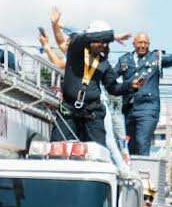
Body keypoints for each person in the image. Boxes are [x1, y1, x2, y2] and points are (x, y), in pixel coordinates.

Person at [50, 9, 127, 148]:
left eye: (106, 43)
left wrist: (131, 86)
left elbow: (113, 88)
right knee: (58, 149)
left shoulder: (103, 63)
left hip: (93, 113)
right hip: (69, 110)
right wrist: (113, 36)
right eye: (101, 41)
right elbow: (82, 37)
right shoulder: (76, 50)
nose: (104, 45)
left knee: (98, 153)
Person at [113, 32, 172, 156]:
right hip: (128, 109)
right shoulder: (124, 59)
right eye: (140, 43)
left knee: (142, 141)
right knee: (129, 145)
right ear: (134, 44)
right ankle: (131, 172)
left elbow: (171, 59)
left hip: (148, 109)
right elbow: (111, 77)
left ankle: (142, 172)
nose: (143, 46)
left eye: (146, 43)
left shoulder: (156, 58)